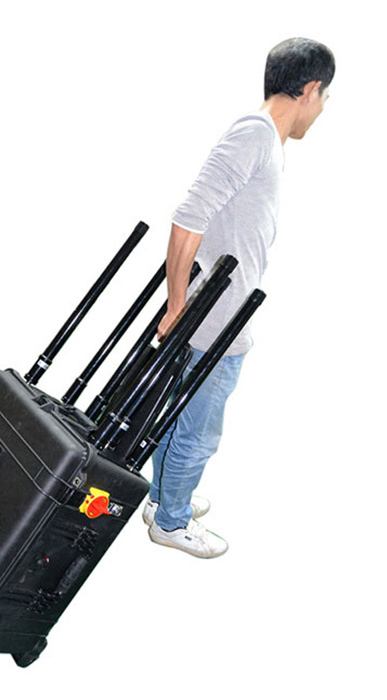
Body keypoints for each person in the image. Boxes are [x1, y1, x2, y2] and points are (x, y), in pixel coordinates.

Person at [144, 37, 335, 558]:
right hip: (217, 321)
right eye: (324, 98)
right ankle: (171, 522)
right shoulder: (255, 135)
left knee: (179, 418)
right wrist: (177, 306)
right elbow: (188, 220)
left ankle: (163, 499)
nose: (322, 110)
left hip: (215, 313)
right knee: (199, 431)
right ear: (310, 89)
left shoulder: (264, 140)